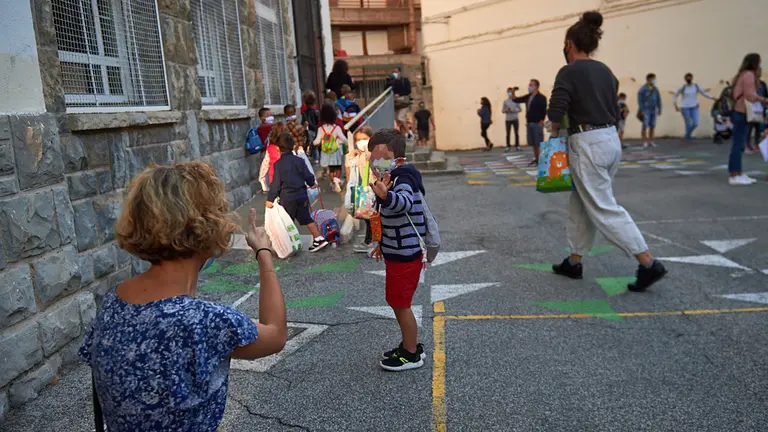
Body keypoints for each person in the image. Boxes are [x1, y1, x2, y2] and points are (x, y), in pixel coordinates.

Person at [80, 162, 287, 431]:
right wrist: (264, 253)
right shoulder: (203, 321)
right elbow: (275, 334)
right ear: (205, 226)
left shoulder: (113, 302)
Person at [547, 11, 667, 292]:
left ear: (569, 44)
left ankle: (648, 262)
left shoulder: (568, 71)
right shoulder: (606, 71)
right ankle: (574, 261)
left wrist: (554, 134)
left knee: (603, 206)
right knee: (581, 202)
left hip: (587, 142)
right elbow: (614, 109)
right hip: (610, 139)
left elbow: (555, 112)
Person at [367, 129, 427, 371]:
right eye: (372, 156)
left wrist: (386, 196)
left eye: (379, 156)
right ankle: (409, 345)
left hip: (406, 255)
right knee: (396, 301)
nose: (374, 161)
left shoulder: (403, 178)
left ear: (396, 156)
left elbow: (404, 203)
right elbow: (389, 217)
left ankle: (410, 354)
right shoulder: (392, 176)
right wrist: (382, 243)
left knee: (400, 304)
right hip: (397, 251)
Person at [267, 132, 329, 252]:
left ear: (278, 148)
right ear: (293, 146)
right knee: (306, 218)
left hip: (287, 198)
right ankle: (319, 239)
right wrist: (312, 183)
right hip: (301, 195)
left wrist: (270, 199)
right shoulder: (299, 160)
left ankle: (288, 244)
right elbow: (308, 175)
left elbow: (276, 184)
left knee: (286, 221)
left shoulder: (278, 164)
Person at [729, 53, 768, 185]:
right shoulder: (749, 75)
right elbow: (750, 95)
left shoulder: (742, 74)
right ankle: (735, 175)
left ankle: (738, 172)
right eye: (760, 62)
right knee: (738, 144)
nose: (761, 65)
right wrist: (764, 100)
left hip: (739, 111)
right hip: (742, 112)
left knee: (739, 144)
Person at [345, 126, 376, 254]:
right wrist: (350, 158)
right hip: (365, 190)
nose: (361, 142)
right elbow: (349, 175)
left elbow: (385, 168)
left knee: (373, 217)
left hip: (377, 189)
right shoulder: (357, 155)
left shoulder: (377, 153)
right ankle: (370, 242)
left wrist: (373, 158)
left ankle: (373, 243)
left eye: (364, 138)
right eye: (358, 139)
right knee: (368, 216)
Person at [513, 79, 548, 165]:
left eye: (531, 85)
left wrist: (542, 120)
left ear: (536, 86)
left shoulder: (541, 98)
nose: (529, 87)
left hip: (537, 122)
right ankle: (537, 159)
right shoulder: (528, 97)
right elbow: (516, 100)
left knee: (538, 142)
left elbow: (543, 110)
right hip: (530, 122)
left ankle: (541, 160)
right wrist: (512, 92)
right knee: (533, 143)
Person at [314, 103, 347, 192]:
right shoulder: (337, 128)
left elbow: (316, 141)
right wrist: (346, 143)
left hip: (326, 152)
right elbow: (344, 139)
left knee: (331, 169)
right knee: (338, 167)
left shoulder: (320, 129)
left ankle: (333, 182)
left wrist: (314, 143)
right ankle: (337, 180)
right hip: (336, 151)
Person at [674, 73, 715, 143]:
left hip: (694, 107)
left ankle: (686, 136)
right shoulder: (683, 87)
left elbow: (703, 93)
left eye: (690, 77)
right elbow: (675, 95)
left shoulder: (696, 86)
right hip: (684, 107)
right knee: (688, 123)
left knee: (695, 123)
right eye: (687, 78)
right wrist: (675, 104)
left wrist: (713, 98)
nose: (688, 79)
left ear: (692, 78)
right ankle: (688, 139)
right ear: (685, 79)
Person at [638, 73, 662, 148]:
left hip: (654, 110)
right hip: (646, 110)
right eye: (653, 79)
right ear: (649, 79)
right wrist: (642, 110)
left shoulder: (655, 89)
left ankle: (651, 141)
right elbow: (640, 101)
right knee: (645, 126)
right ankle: (644, 141)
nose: (654, 80)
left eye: (655, 79)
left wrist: (659, 109)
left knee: (652, 126)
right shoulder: (643, 89)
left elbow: (658, 99)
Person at [746, 77, 767, 153]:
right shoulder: (748, 83)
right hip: (750, 109)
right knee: (749, 128)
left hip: (760, 109)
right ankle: (747, 145)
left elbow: (765, 95)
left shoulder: (762, 84)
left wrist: (765, 107)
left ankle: (756, 145)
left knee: (758, 128)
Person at [302, 91, 321, 164]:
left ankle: (310, 157)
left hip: (309, 131)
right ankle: (316, 159)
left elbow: (303, 122)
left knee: (309, 144)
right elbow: (319, 122)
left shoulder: (304, 113)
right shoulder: (316, 112)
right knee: (316, 146)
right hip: (316, 130)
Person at [502, 87, 522, 152]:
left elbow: (520, 109)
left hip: (515, 118)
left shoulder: (516, 100)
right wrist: (507, 110)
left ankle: (517, 146)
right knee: (508, 133)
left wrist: (513, 110)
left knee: (516, 133)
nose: (509, 93)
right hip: (508, 119)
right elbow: (503, 110)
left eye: (511, 92)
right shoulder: (505, 101)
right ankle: (508, 146)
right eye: (508, 92)